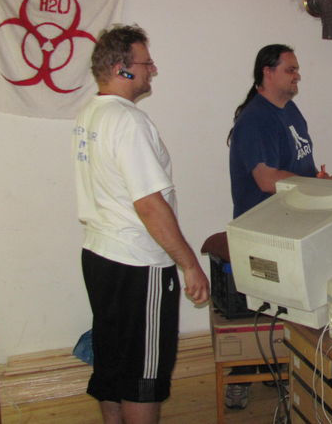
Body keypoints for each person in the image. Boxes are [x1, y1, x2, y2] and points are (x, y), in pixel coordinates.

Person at [72, 25, 210, 424]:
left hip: (100, 254)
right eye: (146, 62)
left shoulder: (90, 113)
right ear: (123, 68)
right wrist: (189, 264)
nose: (153, 69)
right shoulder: (129, 121)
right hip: (138, 263)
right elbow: (149, 204)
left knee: (112, 362)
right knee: (142, 376)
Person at [225, 44, 319, 409]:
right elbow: (266, 180)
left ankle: (278, 369)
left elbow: (300, 167)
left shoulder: (291, 111)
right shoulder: (254, 120)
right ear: (268, 72)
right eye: (290, 69)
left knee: (287, 306)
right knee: (260, 308)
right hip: (263, 231)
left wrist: (319, 182)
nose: (298, 75)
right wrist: (316, 185)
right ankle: (241, 375)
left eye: (297, 69)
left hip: (292, 226)